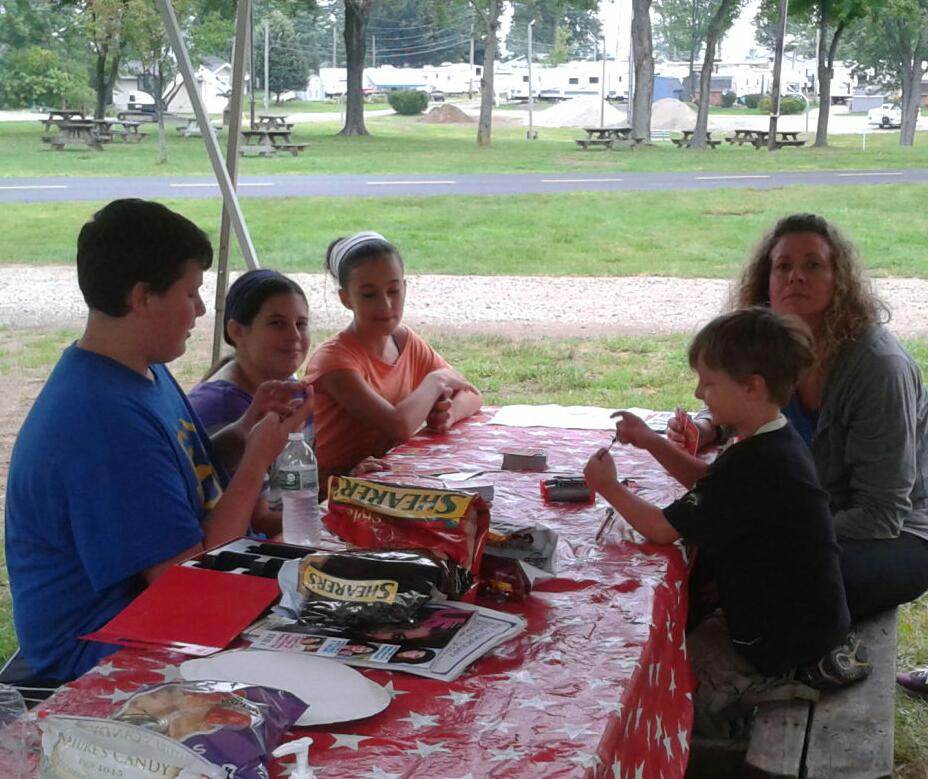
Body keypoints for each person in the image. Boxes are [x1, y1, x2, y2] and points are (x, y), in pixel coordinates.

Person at [3, 199, 311, 687]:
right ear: (143, 297)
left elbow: (181, 472)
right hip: (104, 653)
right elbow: (189, 580)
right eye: (191, 293)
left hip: (162, 613)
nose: (201, 309)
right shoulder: (102, 418)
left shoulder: (137, 370)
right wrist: (258, 460)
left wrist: (243, 430)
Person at [584, 307, 857, 736]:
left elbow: (661, 529)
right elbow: (710, 482)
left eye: (709, 383)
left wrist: (609, 487)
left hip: (782, 638)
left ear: (752, 387)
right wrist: (651, 441)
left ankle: (747, 699)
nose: (698, 393)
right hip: (809, 619)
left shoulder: (757, 465)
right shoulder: (773, 440)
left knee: (673, 670)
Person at [672, 214, 928, 623]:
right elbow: (739, 395)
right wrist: (706, 427)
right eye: (783, 266)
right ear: (766, 280)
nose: (796, 277)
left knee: (786, 581)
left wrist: (777, 535)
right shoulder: (770, 345)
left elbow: (882, 512)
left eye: (813, 265)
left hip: (899, 532)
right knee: (688, 549)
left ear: (839, 280)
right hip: (805, 510)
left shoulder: (879, 368)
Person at [305, 231, 482, 484]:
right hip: (335, 491)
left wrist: (448, 415)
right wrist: (436, 381)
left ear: (405, 288)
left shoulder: (403, 340)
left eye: (393, 291)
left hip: (388, 480)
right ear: (346, 299)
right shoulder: (334, 361)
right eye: (369, 294)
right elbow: (398, 425)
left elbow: (471, 393)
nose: (386, 305)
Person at [188, 269, 312, 535]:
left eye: (301, 324)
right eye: (277, 323)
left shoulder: (291, 389)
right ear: (236, 331)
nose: (294, 335)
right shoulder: (222, 406)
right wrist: (334, 514)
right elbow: (260, 521)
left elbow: (299, 491)